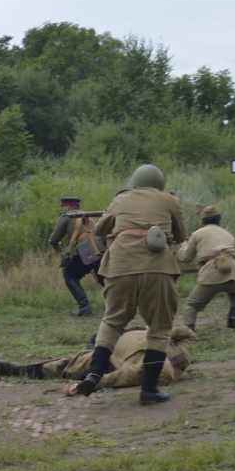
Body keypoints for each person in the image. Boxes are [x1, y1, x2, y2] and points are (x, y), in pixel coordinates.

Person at [76, 164, 188, 405]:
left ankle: (94, 374)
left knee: (113, 320)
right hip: (157, 268)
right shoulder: (169, 200)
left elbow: (100, 229)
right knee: (159, 327)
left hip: (120, 266)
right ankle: (149, 390)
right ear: (159, 182)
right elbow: (180, 236)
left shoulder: (121, 199)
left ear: (135, 182)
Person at [0, 325, 196, 395]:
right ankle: (94, 346)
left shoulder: (160, 372)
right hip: (117, 339)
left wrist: (87, 384)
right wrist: (153, 330)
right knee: (93, 347)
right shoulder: (180, 354)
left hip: (111, 358)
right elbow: (188, 333)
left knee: (72, 363)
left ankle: (25, 370)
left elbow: (119, 377)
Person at [178, 205, 235, 330]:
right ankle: (233, 314)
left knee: (191, 305)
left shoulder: (197, 234)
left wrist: (184, 245)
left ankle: (190, 330)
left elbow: (185, 258)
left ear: (202, 222)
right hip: (233, 271)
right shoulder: (228, 234)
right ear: (219, 221)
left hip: (212, 275)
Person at [48, 195, 105, 316]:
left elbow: (53, 239)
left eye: (63, 207)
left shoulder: (66, 216)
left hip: (88, 250)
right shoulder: (86, 216)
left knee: (69, 274)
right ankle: (123, 302)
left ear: (67, 207)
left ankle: (84, 306)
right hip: (103, 249)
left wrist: (56, 246)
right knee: (101, 276)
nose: (62, 209)